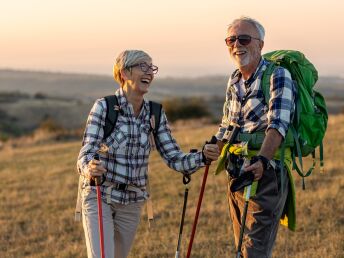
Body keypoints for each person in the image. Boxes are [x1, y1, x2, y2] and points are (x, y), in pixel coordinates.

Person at [76, 49, 219, 258]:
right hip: (100, 195)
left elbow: (174, 158)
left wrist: (204, 157)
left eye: (151, 68)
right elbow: (86, 152)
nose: (149, 73)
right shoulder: (104, 107)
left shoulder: (155, 113)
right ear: (124, 73)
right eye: (143, 66)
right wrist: (90, 168)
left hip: (132, 200)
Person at [209, 16, 296, 257]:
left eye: (244, 38)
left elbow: (278, 125)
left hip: (266, 172)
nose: (237, 44)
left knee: (253, 249)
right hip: (236, 172)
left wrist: (263, 161)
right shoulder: (234, 79)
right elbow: (228, 124)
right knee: (240, 244)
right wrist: (213, 146)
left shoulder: (278, 75)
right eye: (231, 39)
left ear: (260, 44)